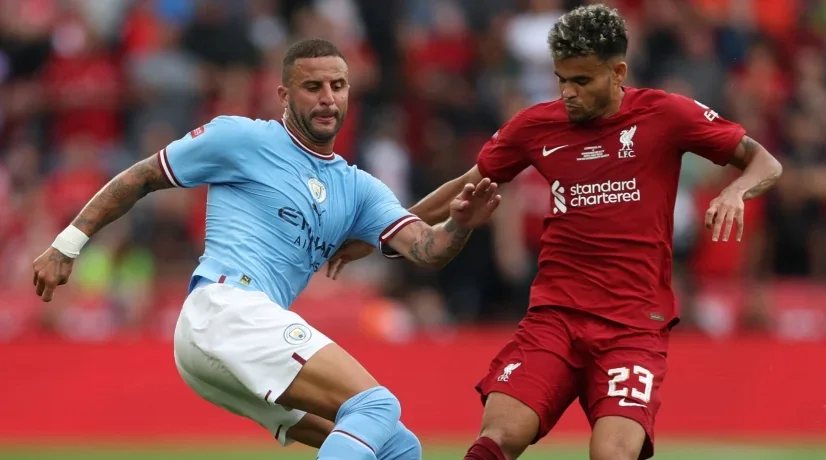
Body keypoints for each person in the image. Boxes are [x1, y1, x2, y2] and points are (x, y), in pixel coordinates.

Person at [326, 5, 783, 460]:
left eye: (582, 81)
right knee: (497, 438)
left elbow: (764, 161)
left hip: (633, 327)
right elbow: (465, 185)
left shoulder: (666, 115)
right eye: (561, 79)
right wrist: (383, 231)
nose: (568, 92)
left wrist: (736, 192)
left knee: (613, 453)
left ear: (618, 71)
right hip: (555, 318)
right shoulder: (536, 125)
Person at [31, 38, 501, 460]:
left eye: (338, 85)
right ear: (283, 95)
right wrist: (67, 244)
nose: (327, 98)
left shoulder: (360, 189)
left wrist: (459, 224)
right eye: (312, 86)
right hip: (224, 306)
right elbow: (141, 176)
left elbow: (428, 249)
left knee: (398, 444)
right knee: (376, 404)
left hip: (231, 337)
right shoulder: (242, 138)